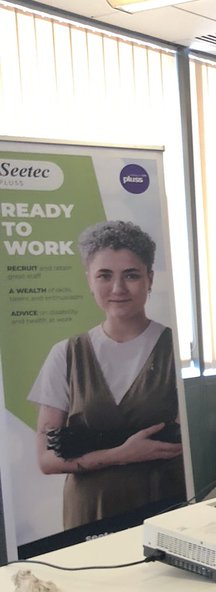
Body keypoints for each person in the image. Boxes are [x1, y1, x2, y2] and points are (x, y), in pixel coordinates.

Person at [29, 219, 185, 532]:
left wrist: (91, 447)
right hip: (89, 511)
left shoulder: (176, 352)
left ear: (149, 278)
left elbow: (187, 442)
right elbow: (46, 459)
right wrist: (120, 455)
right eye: (104, 275)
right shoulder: (66, 355)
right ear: (89, 280)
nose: (118, 288)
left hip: (162, 507)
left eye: (131, 275)